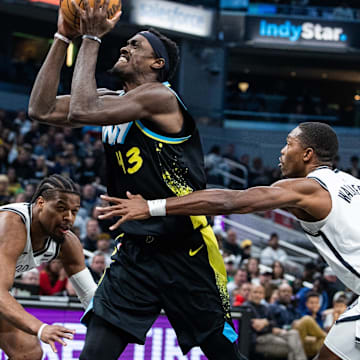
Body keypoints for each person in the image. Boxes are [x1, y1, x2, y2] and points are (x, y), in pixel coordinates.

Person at [28, 4, 243, 360]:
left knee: (224, 356)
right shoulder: (115, 101)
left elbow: (83, 111)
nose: (125, 47)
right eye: (125, 43)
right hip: (136, 255)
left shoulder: (161, 97)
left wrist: (92, 37)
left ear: (157, 64)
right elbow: (40, 109)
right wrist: (63, 36)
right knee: (94, 353)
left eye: (135, 46)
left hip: (186, 251)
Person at [100, 121, 360, 360]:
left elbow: (232, 200)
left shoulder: (308, 189)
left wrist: (151, 207)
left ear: (307, 154)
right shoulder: (350, 182)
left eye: (289, 143)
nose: (282, 151)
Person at [0, 174, 97, 359]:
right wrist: (41, 328)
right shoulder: (12, 225)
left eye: (74, 211)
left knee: (28, 352)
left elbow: (90, 297)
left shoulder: (66, 242)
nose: (69, 217)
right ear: (41, 203)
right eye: (61, 209)